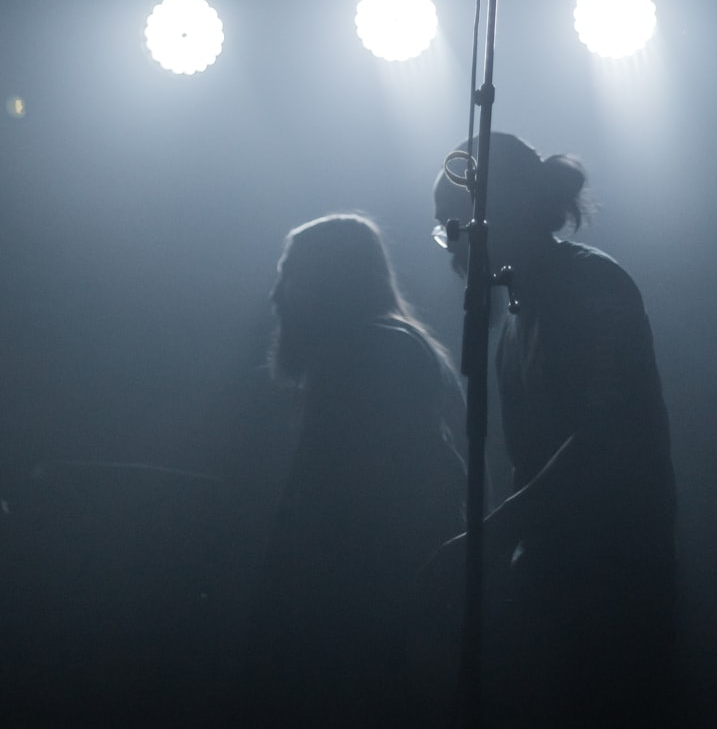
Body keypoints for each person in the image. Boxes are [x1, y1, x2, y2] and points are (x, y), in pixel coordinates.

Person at [433, 133, 677, 726]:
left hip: (615, 579)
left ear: (492, 217)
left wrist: (498, 534)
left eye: (453, 227)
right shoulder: (519, 315)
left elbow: (603, 435)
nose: (452, 247)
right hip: (562, 578)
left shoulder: (590, 285)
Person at [245, 213, 466, 726]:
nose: (277, 294)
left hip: (368, 609)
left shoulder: (367, 350)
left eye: (289, 274)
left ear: (329, 278)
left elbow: (341, 499)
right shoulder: (390, 344)